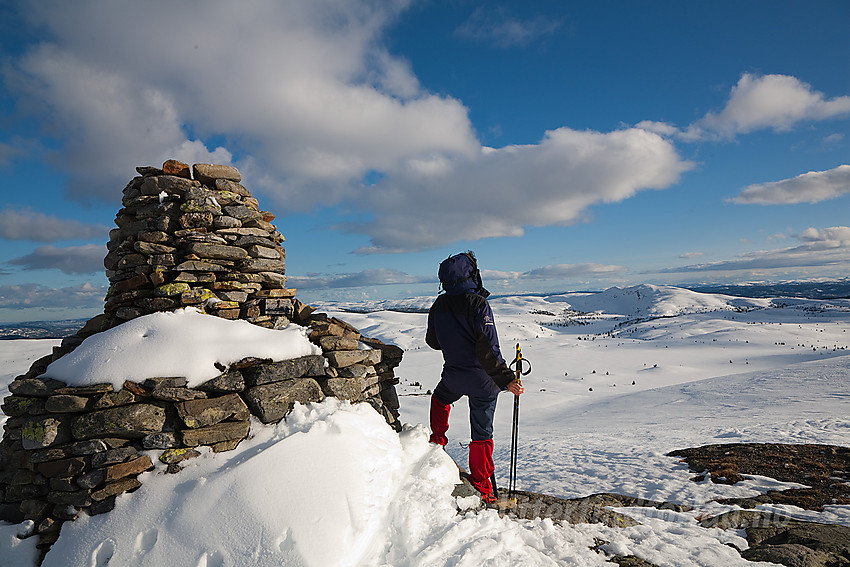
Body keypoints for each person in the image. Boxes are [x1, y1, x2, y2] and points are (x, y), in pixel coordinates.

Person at [425, 251, 524, 503]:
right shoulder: (479, 305)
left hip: (454, 375)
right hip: (483, 381)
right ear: (472, 275)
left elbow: (432, 341)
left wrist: (454, 343)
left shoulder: (438, 305)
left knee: (440, 399)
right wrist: (506, 379)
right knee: (481, 433)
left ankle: (437, 444)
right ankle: (483, 486)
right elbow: (488, 349)